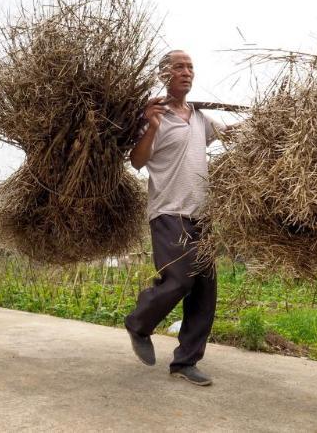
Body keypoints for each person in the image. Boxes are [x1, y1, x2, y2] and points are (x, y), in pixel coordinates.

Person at [124, 50, 230, 386]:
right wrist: (152, 126)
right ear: (164, 75)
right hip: (169, 211)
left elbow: (231, 134)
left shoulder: (200, 118)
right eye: (179, 67)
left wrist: (274, 123)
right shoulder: (153, 115)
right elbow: (137, 161)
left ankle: (185, 361)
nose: (186, 72)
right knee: (180, 279)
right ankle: (139, 323)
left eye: (190, 67)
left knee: (204, 291)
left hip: (202, 214)